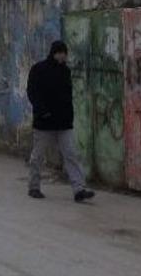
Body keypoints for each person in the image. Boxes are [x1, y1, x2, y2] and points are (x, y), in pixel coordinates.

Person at [26, 40, 95, 203]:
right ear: (55, 53)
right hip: (44, 122)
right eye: (62, 53)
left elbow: (66, 97)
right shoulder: (39, 69)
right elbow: (32, 92)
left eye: (65, 53)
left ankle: (79, 189)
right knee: (38, 155)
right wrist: (43, 111)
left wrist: (69, 116)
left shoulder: (65, 71)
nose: (64, 56)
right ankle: (34, 187)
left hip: (63, 123)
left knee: (71, 154)